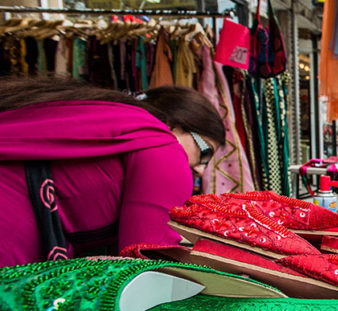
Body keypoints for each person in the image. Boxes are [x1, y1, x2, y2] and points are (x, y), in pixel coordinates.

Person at [0, 76, 225, 266]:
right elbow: (144, 261)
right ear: (174, 124)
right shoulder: (165, 149)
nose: (200, 168)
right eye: (204, 151)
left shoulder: (110, 115)